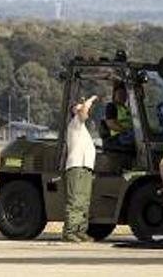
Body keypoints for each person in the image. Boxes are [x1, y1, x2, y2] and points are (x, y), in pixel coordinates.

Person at [63, 94, 99, 242]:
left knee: (84, 202)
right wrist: (90, 100)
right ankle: (69, 231)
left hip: (85, 168)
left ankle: (80, 230)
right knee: (75, 201)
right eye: (79, 107)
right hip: (76, 167)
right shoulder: (75, 123)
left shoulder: (82, 127)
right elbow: (83, 113)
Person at [102, 83, 135, 150]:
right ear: (114, 95)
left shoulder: (128, 109)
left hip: (130, 135)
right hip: (118, 137)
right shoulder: (111, 106)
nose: (122, 96)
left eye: (124, 94)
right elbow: (111, 124)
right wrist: (125, 130)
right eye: (120, 93)